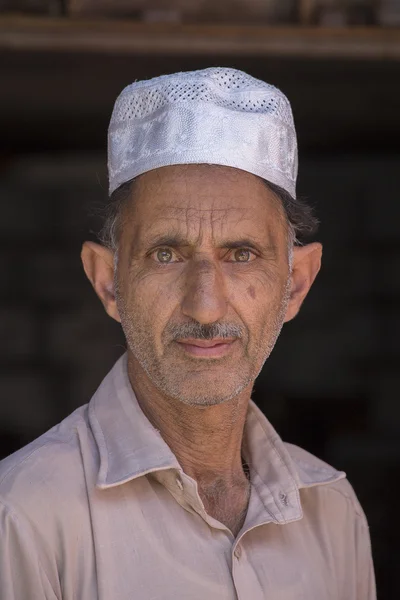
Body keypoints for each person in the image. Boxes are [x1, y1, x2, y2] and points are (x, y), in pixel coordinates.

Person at [0, 67, 376, 599]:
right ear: (109, 283)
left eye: (241, 255)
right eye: (166, 254)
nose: (205, 306)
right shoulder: (24, 514)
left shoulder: (331, 511)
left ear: (294, 284)